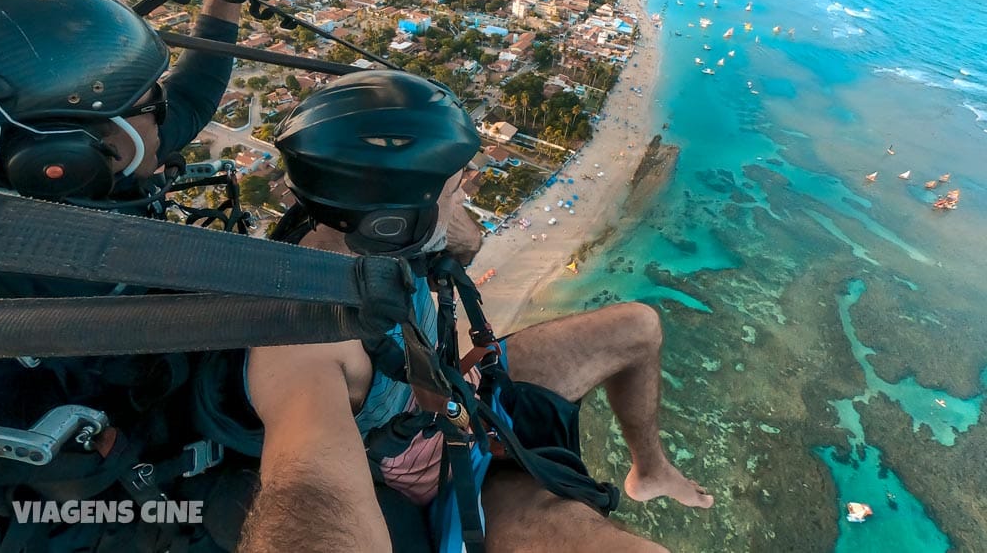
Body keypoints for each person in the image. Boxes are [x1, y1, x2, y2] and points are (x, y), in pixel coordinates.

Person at [238, 70, 713, 553]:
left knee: (639, 327)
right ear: (394, 220)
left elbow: (465, 239)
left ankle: (650, 471)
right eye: (454, 190)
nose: (465, 195)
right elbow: (310, 498)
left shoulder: (361, 228)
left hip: (460, 392)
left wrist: (445, 224)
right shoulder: (305, 340)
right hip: (439, 471)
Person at [0, 0, 248, 551]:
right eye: (145, 103)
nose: (167, 109)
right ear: (57, 158)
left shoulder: (86, 183)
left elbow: (186, 101)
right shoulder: (25, 297)